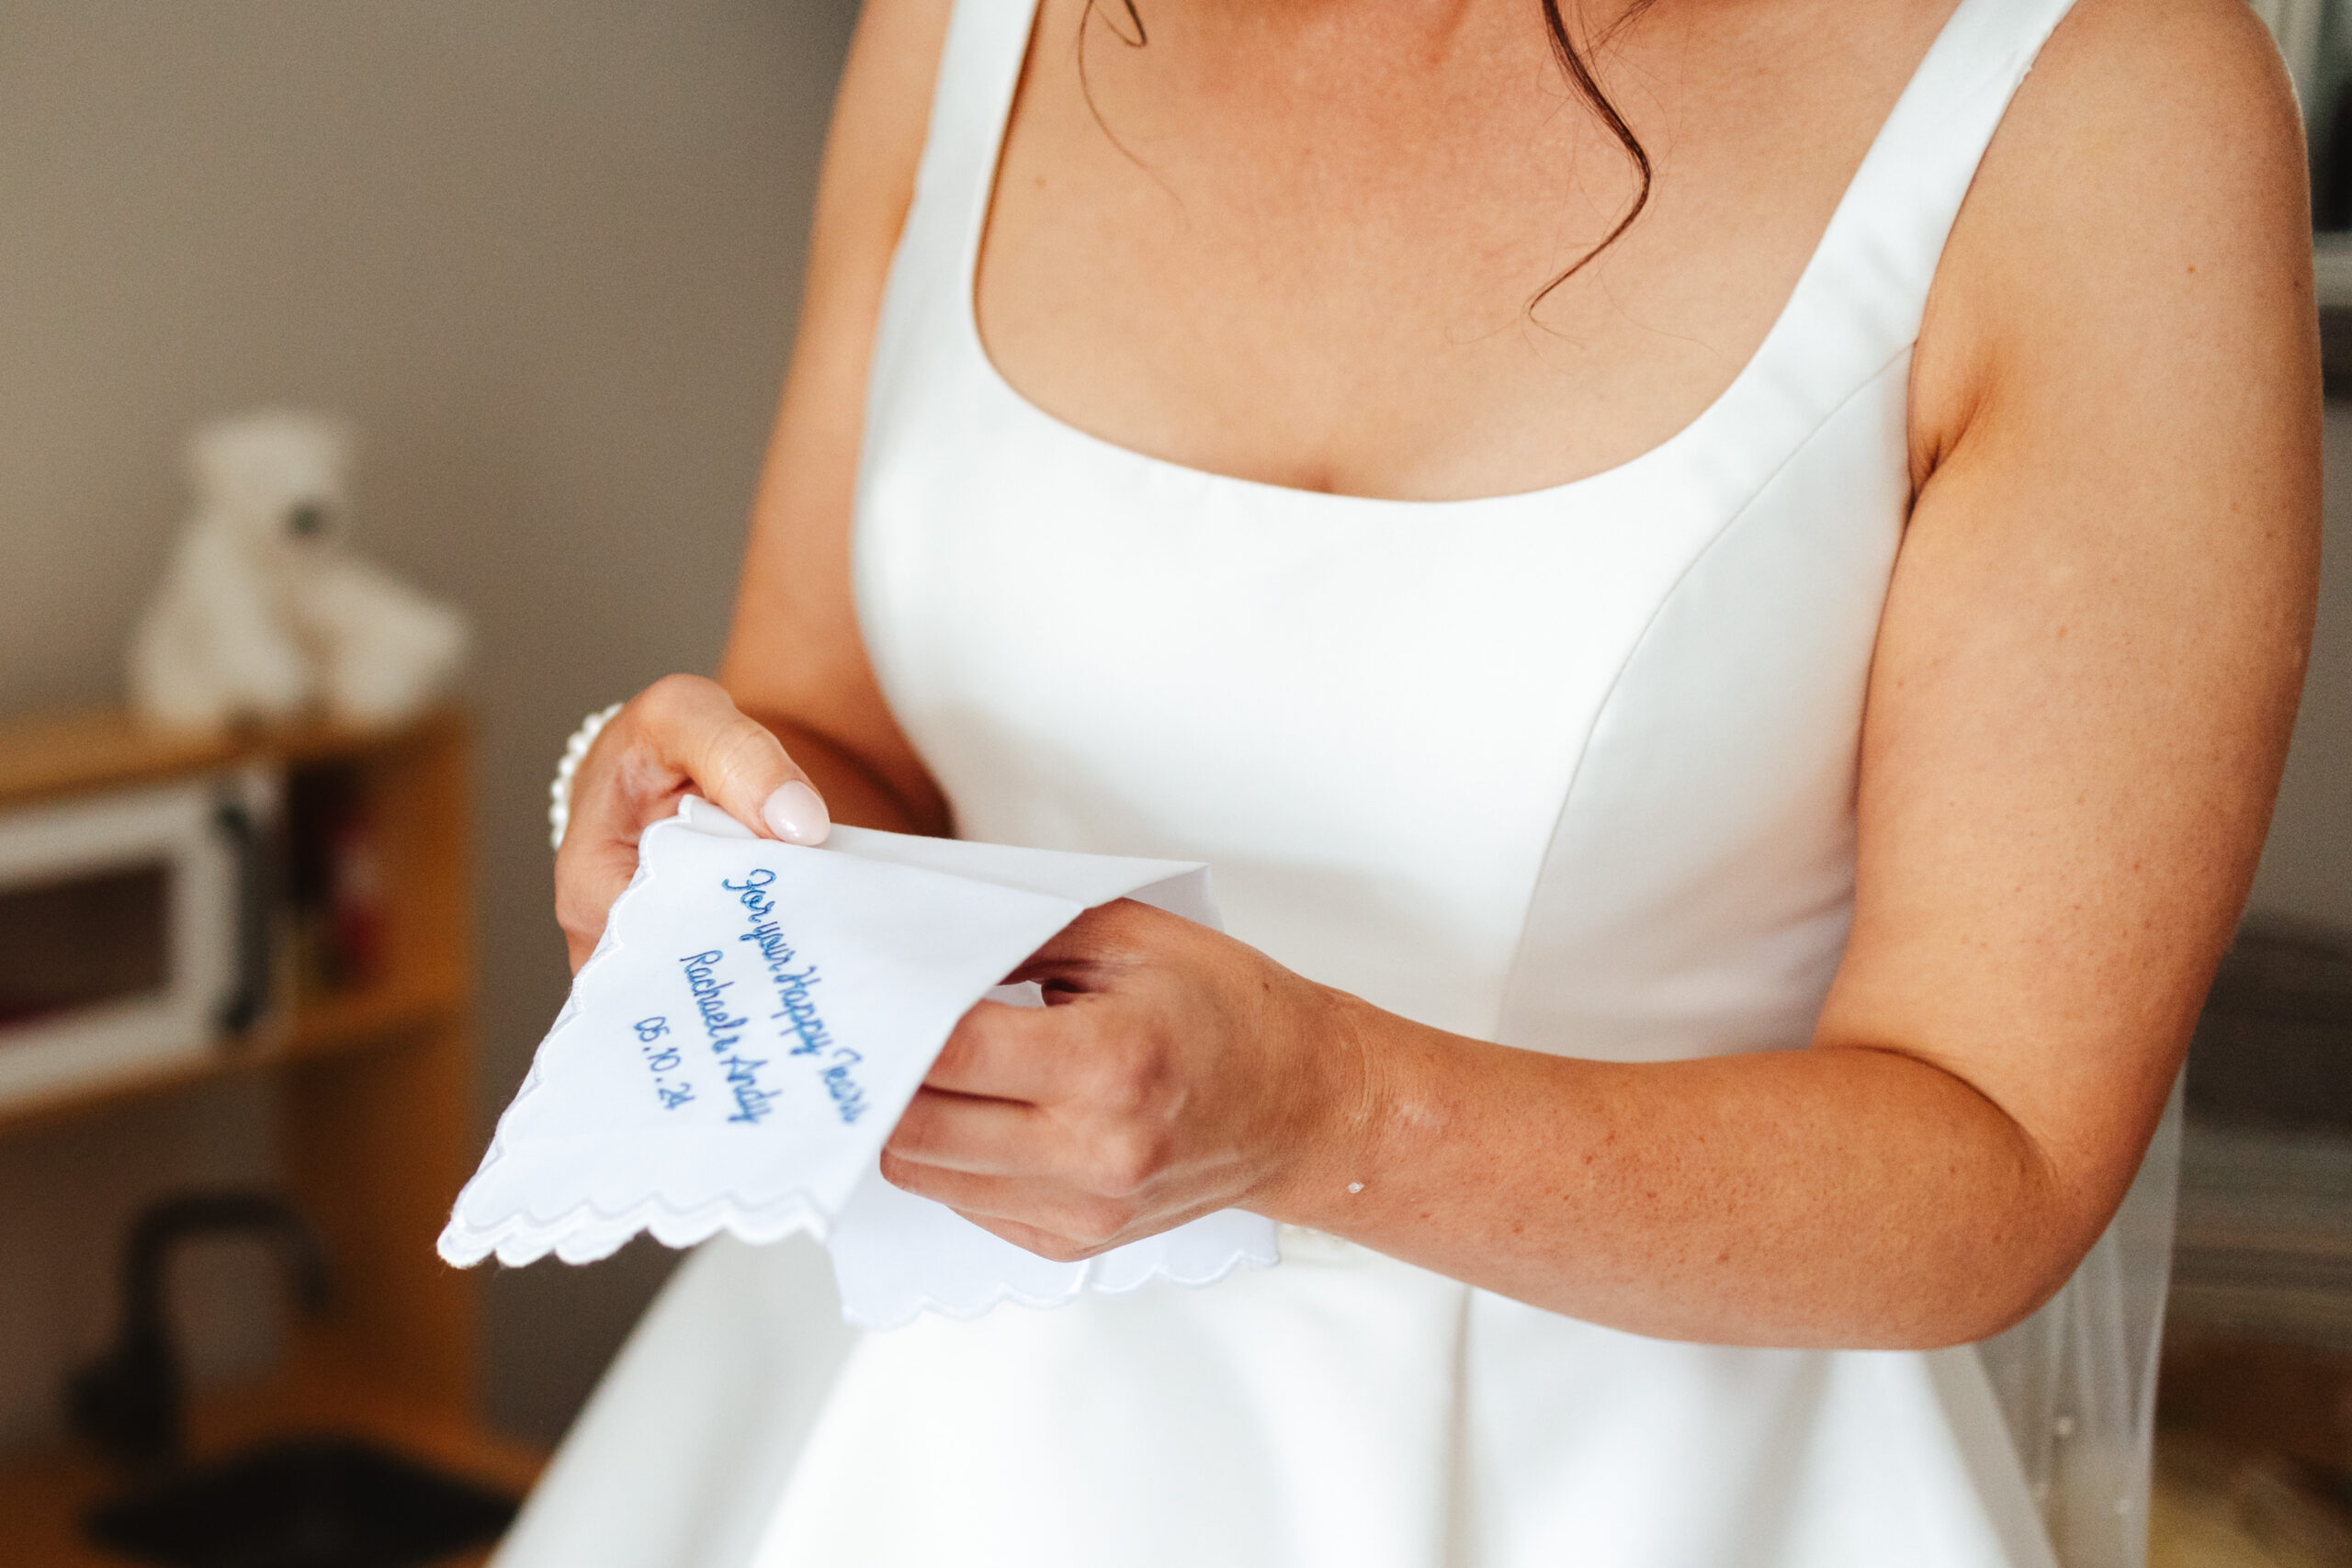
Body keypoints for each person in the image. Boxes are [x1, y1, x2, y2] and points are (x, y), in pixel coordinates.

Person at [496, 0, 2320, 1562]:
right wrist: (723, 833)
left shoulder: (2097, 102)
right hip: (888, 1419)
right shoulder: (978, 17)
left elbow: (1993, 1150)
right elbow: (839, 726)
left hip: (1623, 1474)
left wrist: (1329, 1114)